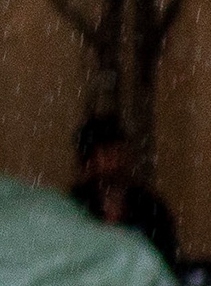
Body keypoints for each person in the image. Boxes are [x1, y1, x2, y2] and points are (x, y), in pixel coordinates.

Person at [72, 113, 183, 270]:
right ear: (88, 162)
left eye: (119, 150)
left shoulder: (150, 208)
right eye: (107, 153)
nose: (116, 159)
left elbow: (167, 261)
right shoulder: (74, 208)